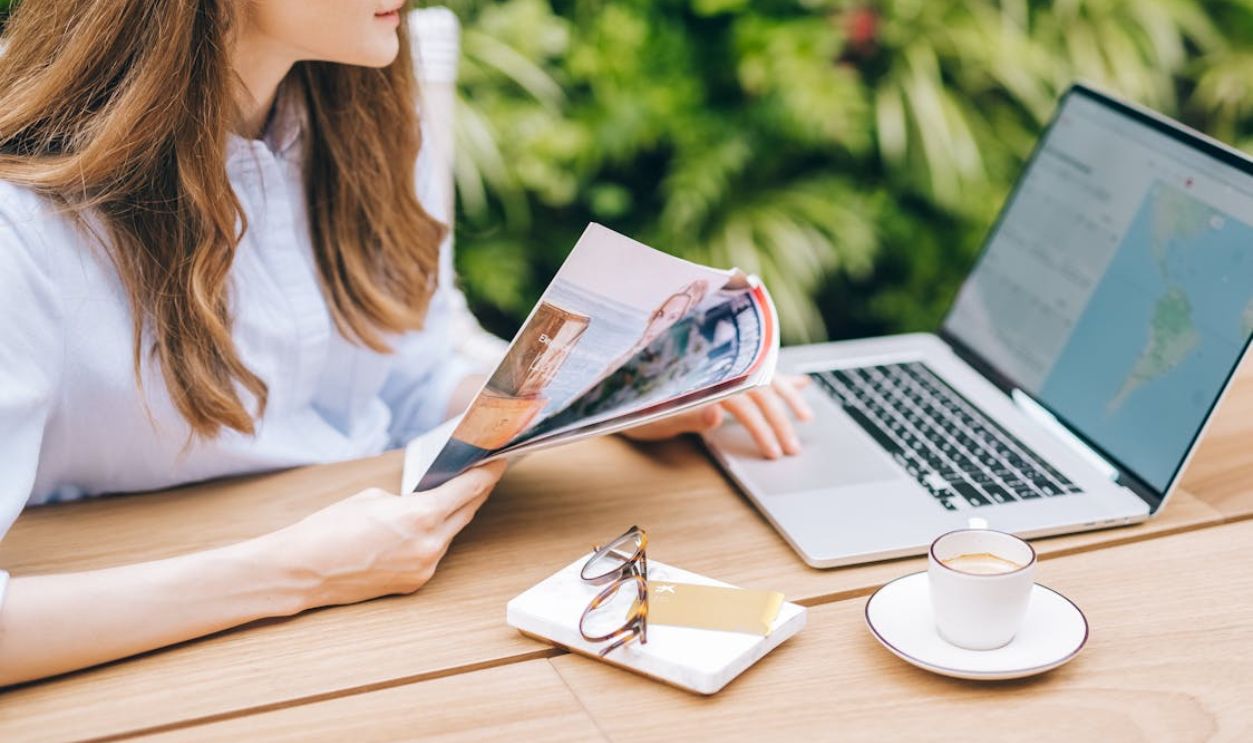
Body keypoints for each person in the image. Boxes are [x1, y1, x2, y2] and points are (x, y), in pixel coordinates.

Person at [0, 0, 811, 687]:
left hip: (389, 608)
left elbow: (408, 377)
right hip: (160, 648)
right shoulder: (22, 217)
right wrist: (297, 570)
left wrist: (598, 399)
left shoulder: (371, 98)